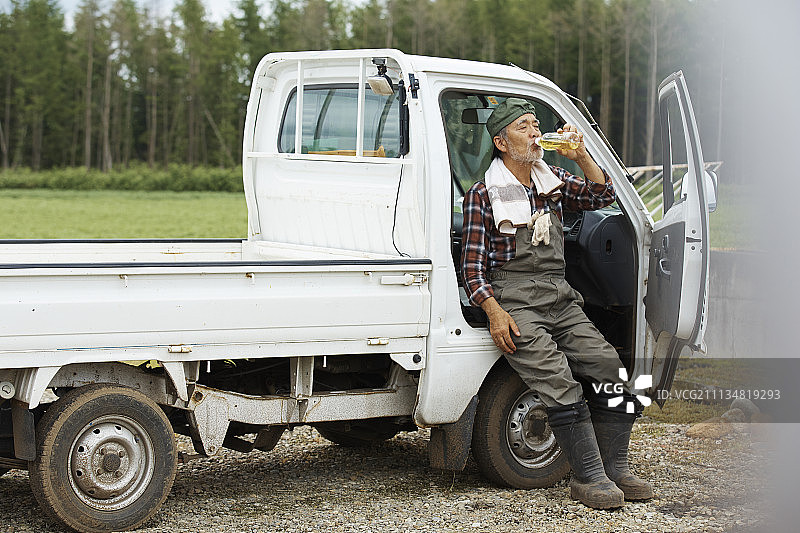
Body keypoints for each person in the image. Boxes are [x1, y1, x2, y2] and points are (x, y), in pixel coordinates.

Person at [461, 98, 653, 509]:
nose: (534, 133)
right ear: (500, 141)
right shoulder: (483, 195)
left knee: (608, 365)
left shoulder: (552, 182)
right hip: (513, 300)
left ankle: (614, 468)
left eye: (536, 125)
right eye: (523, 127)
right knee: (558, 378)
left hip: (559, 296)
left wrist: (581, 153)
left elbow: (602, 194)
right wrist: (494, 312)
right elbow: (473, 269)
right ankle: (589, 479)